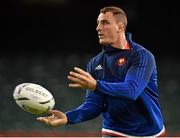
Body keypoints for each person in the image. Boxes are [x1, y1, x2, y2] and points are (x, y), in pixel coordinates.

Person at [37, 6, 166, 137]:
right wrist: (68, 117)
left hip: (150, 134)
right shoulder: (95, 63)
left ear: (120, 27)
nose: (98, 28)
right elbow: (94, 105)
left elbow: (131, 90)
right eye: (98, 23)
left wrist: (96, 85)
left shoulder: (142, 56)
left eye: (105, 22)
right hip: (113, 132)